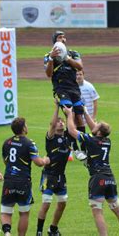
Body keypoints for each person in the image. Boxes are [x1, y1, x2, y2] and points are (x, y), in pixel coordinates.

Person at [63, 106, 119, 236]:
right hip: (110, 177)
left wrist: (69, 115)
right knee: (117, 208)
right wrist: (84, 112)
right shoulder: (107, 141)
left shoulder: (91, 140)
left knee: (97, 211)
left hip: (98, 177)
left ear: (99, 132)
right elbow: (94, 127)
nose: (94, 124)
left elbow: (72, 130)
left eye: (97, 125)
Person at [0, 117, 50, 236]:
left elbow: (5, 161)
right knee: (23, 213)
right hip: (23, 182)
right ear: (23, 128)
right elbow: (38, 163)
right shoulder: (29, 143)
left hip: (9, 181)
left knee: (6, 212)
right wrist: (45, 160)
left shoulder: (6, 142)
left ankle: (7, 232)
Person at [44, 31, 86, 161]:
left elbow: (80, 67)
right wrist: (51, 58)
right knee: (70, 114)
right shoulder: (49, 55)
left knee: (79, 118)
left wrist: (67, 58)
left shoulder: (73, 53)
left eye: (63, 37)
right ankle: (74, 147)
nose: (62, 38)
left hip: (74, 88)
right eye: (59, 37)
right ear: (55, 41)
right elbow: (49, 74)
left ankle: (84, 148)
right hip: (61, 88)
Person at [36, 103, 72, 236]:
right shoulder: (50, 138)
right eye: (58, 122)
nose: (60, 123)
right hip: (49, 175)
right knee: (46, 203)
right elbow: (51, 125)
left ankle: (53, 229)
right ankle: (39, 232)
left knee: (62, 203)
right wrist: (57, 107)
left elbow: (72, 125)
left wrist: (69, 114)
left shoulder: (68, 138)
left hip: (61, 176)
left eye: (62, 121)